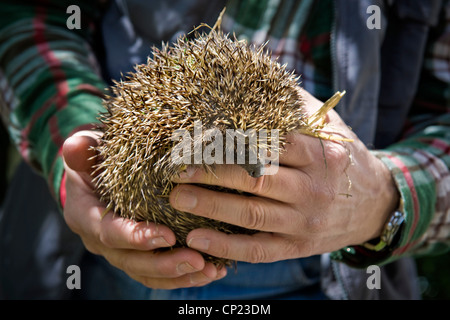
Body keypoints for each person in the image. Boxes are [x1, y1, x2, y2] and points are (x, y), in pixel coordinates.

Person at [0, 0, 449, 299]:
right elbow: (28, 16)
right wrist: (71, 130)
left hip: (327, 275)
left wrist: (386, 198)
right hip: (88, 260)